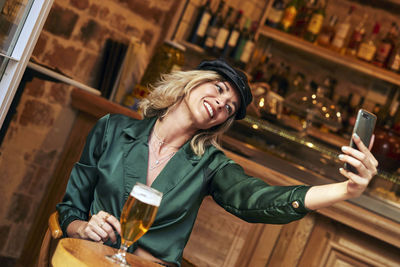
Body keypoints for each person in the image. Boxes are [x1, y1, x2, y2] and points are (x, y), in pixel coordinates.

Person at [56, 59, 378, 267]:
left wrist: (346, 190)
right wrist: (83, 227)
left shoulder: (209, 165)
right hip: (88, 260)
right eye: (219, 89)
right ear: (194, 83)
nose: (221, 103)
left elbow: (258, 199)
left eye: (229, 108)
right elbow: (71, 206)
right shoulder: (112, 129)